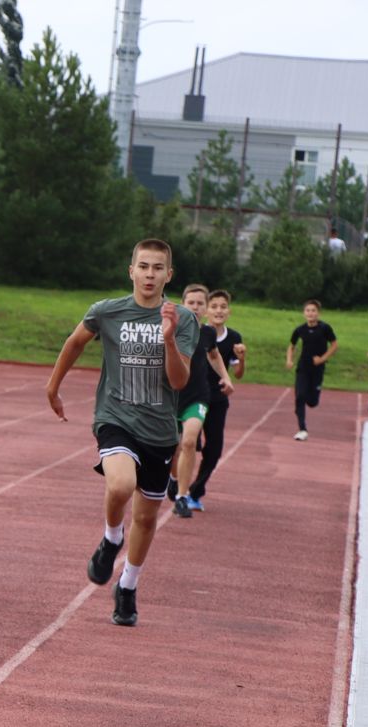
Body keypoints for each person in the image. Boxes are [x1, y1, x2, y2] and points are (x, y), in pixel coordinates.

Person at [45, 238, 197, 627]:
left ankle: (127, 587)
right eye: (143, 266)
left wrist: (167, 337)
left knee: (146, 519)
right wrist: (53, 387)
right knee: (119, 486)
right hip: (115, 418)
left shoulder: (183, 319)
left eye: (157, 268)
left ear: (169, 275)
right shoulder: (107, 312)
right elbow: (75, 341)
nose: (149, 274)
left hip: (160, 431)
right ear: (131, 270)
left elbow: (179, 382)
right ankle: (112, 537)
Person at [166, 283, 229, 519]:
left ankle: (182, 497)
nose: (195, 307)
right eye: (190, 302)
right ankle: (173, 478)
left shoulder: (208, 333)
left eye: (200, 303)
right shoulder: (170, 329)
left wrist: (226, 378)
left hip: (198, 396)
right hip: (172, 396)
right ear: (183, 304)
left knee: (189, 442)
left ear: (205, 308)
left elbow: (214, 354)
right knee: (173, 446)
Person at [185, 289, 244, 512]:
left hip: (218, 400)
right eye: (214, 306)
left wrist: (242, 359)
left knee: (214, 449)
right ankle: (178, 486)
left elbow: (237, 374)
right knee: (189, 444)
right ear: (206, 310)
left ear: (229, 311)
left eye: (223, 307)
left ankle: (195, 491)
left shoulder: (234, 338)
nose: (218, 310)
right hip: (194, 396)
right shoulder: (198, 333)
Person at [286, 300, 337, 440]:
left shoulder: (325, 328)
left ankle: (313, 396)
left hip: (318, 369)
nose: (310, 313)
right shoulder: (300, 329)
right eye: (308, 310)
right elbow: (291, 345)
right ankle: (302, 429)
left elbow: (334, 345)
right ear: (304, 313)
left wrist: (322, 359)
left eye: (313, 310)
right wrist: (289, 360)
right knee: (300, 396)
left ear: (318, 313)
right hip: (303, 368)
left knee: (312, 402)